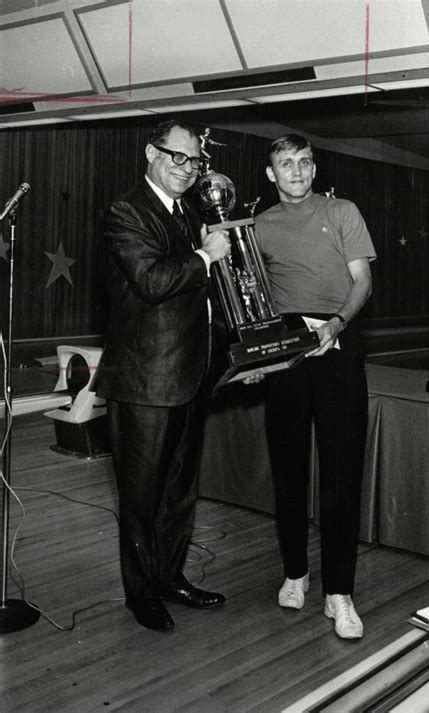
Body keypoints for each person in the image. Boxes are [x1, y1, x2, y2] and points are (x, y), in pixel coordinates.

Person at [96, 120, 231, 631]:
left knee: (179, 490)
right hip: (145, 381)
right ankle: (141, 593)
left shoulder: (188, 210)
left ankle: (170, 577)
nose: (186, 169)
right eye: (177, 157)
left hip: (190, 374)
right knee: (141, 496)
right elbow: (152, 281)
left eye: (194, 161)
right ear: (151, 153)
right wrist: (204, 255)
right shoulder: (128, 209)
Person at [254, 134, 376, 639]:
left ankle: (339, 594)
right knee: (288, 472)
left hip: (336, 350)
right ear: (271, 174)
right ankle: (295, 574)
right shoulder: (257, 226)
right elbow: (252, 298)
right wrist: (255, 353)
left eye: (304, 162)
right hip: (286, 356)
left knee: (341, 476)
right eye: (286, 164)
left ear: (313, 166)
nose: (297, 172)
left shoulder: (342, 210)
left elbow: (361, 282)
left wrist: (336, 326)